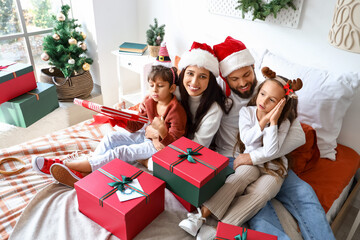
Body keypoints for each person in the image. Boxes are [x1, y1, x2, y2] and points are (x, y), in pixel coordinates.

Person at [189, 36, 334, 240]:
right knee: (259, 205)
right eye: (234, 78)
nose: (243, 83)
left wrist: (257, 157)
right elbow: (189, 95)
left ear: (253, 67)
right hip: (234, 159)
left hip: (272, 159)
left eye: (247, 74)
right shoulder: (219, 97)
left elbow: (298, 135)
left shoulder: (271, 90)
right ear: (225, 78)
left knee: (305, 195)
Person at [32, 45, 187, 187]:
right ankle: (85, 170)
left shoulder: (176, 111)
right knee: (111, 138)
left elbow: (175, 144)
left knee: (121, 152)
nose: (154, 90)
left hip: (157, 146)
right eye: (151, 85)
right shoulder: (148, 101)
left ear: (172, 87)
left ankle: (65, 165)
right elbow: (136, 126)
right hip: (143, 135)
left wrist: (161, 132)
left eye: (160, 86)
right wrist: (117, 117)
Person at [179, 66, 303, 238]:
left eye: (272, 100)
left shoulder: (284, 123)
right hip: (250, 161)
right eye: (262, 94)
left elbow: (271, 150)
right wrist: (263, 121)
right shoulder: (247, 112)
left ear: (282, 105)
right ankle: (199, 217)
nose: (264, 102)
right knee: (237, 178)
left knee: (262, 194)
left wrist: (273, 122)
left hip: (275, 168)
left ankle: (219, 231)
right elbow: (247, 139)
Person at [142, 41, 229, 169]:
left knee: (156, 165)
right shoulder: (174, 91)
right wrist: (145, 103)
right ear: (183, 73)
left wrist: (158, 137)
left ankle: (143, 161)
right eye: (190, 73)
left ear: (210, 80)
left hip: (191, 151)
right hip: (168, 140)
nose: (194, 82)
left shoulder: (214, 109)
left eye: (202, 76)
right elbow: (153, 104)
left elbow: (197, 147)